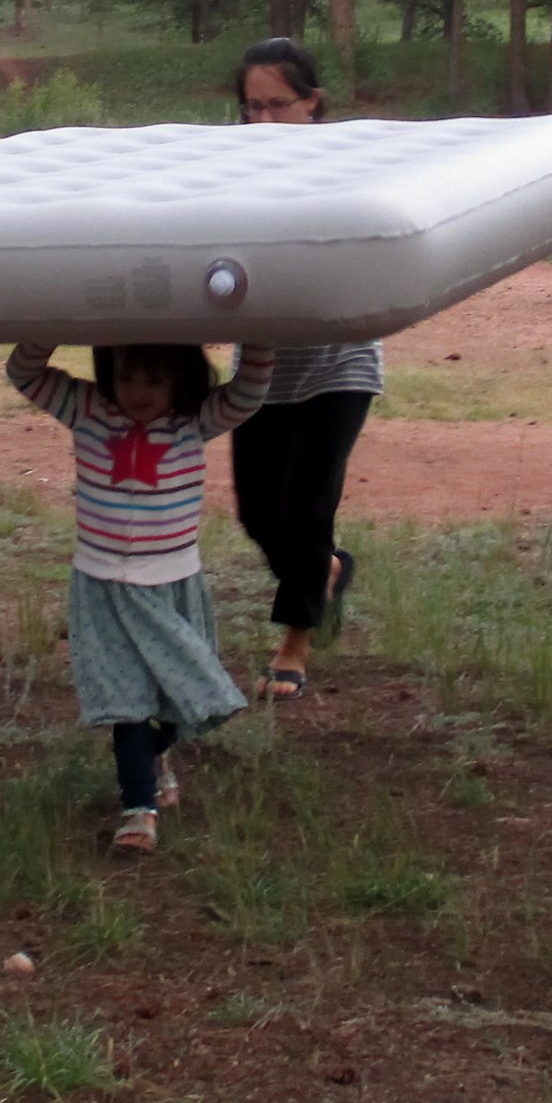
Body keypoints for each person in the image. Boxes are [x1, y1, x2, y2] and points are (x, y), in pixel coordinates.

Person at [5, 337, 274, 854]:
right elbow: (24, 372)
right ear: (107, 369)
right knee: (126, 704)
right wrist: (53, 323)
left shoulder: (193, 420)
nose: (139, 392)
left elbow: (248, 392)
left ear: (181, 376)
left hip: (172, 585)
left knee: (186, 699)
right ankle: (138, 810)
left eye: (155, 380)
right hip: (102, 586)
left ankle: (154, 756)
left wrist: (258, 329)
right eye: (127, 376)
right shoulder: (87, 409)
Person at [229, 37, 374, 699]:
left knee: (308, 509)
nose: (262, 121)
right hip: (262, 365)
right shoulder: (228, 173)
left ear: (312, 105)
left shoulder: (347, 167)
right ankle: (327, 572)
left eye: (276, 106)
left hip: (339, 364)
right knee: (259, 514)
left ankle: (293, 642)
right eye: (250, 108)